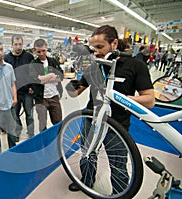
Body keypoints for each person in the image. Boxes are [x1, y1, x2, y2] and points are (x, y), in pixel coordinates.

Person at [66, 25, 155, 193]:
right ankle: (86, 181)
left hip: (117, 124)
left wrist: (122, 99)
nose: (96, 52)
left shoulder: (135, 65)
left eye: (100, 47)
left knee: (118, 164)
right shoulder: (94, 64)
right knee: (87, 154)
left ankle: (120, 193)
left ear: (114, 44)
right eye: (93, 48)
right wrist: (71, 77)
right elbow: (76, 90)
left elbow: (150, 100)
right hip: (91, 119)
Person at [4, 34, 35, 140]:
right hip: (14, 92)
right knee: (15, 114)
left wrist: (32, 86)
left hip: (27, 91)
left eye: (20, 44)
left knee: (29, 114)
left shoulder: (29, 57)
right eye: (16, 44)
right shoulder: (6, 59)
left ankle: (31, 133)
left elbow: (33, 73)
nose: (18, 47)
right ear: (11, 45)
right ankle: (17, 132)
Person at [29, 38, 64, 132]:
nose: (41, 54)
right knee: (42, 124)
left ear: (47, 48)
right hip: (41, 98)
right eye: (38, 51)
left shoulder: (53, 61)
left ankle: (58, 140)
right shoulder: (33, 64)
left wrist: (43, 78)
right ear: (35, 51)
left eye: (43, 51)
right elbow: (35, 79)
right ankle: (45, 144)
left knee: (58, 122)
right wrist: (51, 75)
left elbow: (61, 76)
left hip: (54, 96)